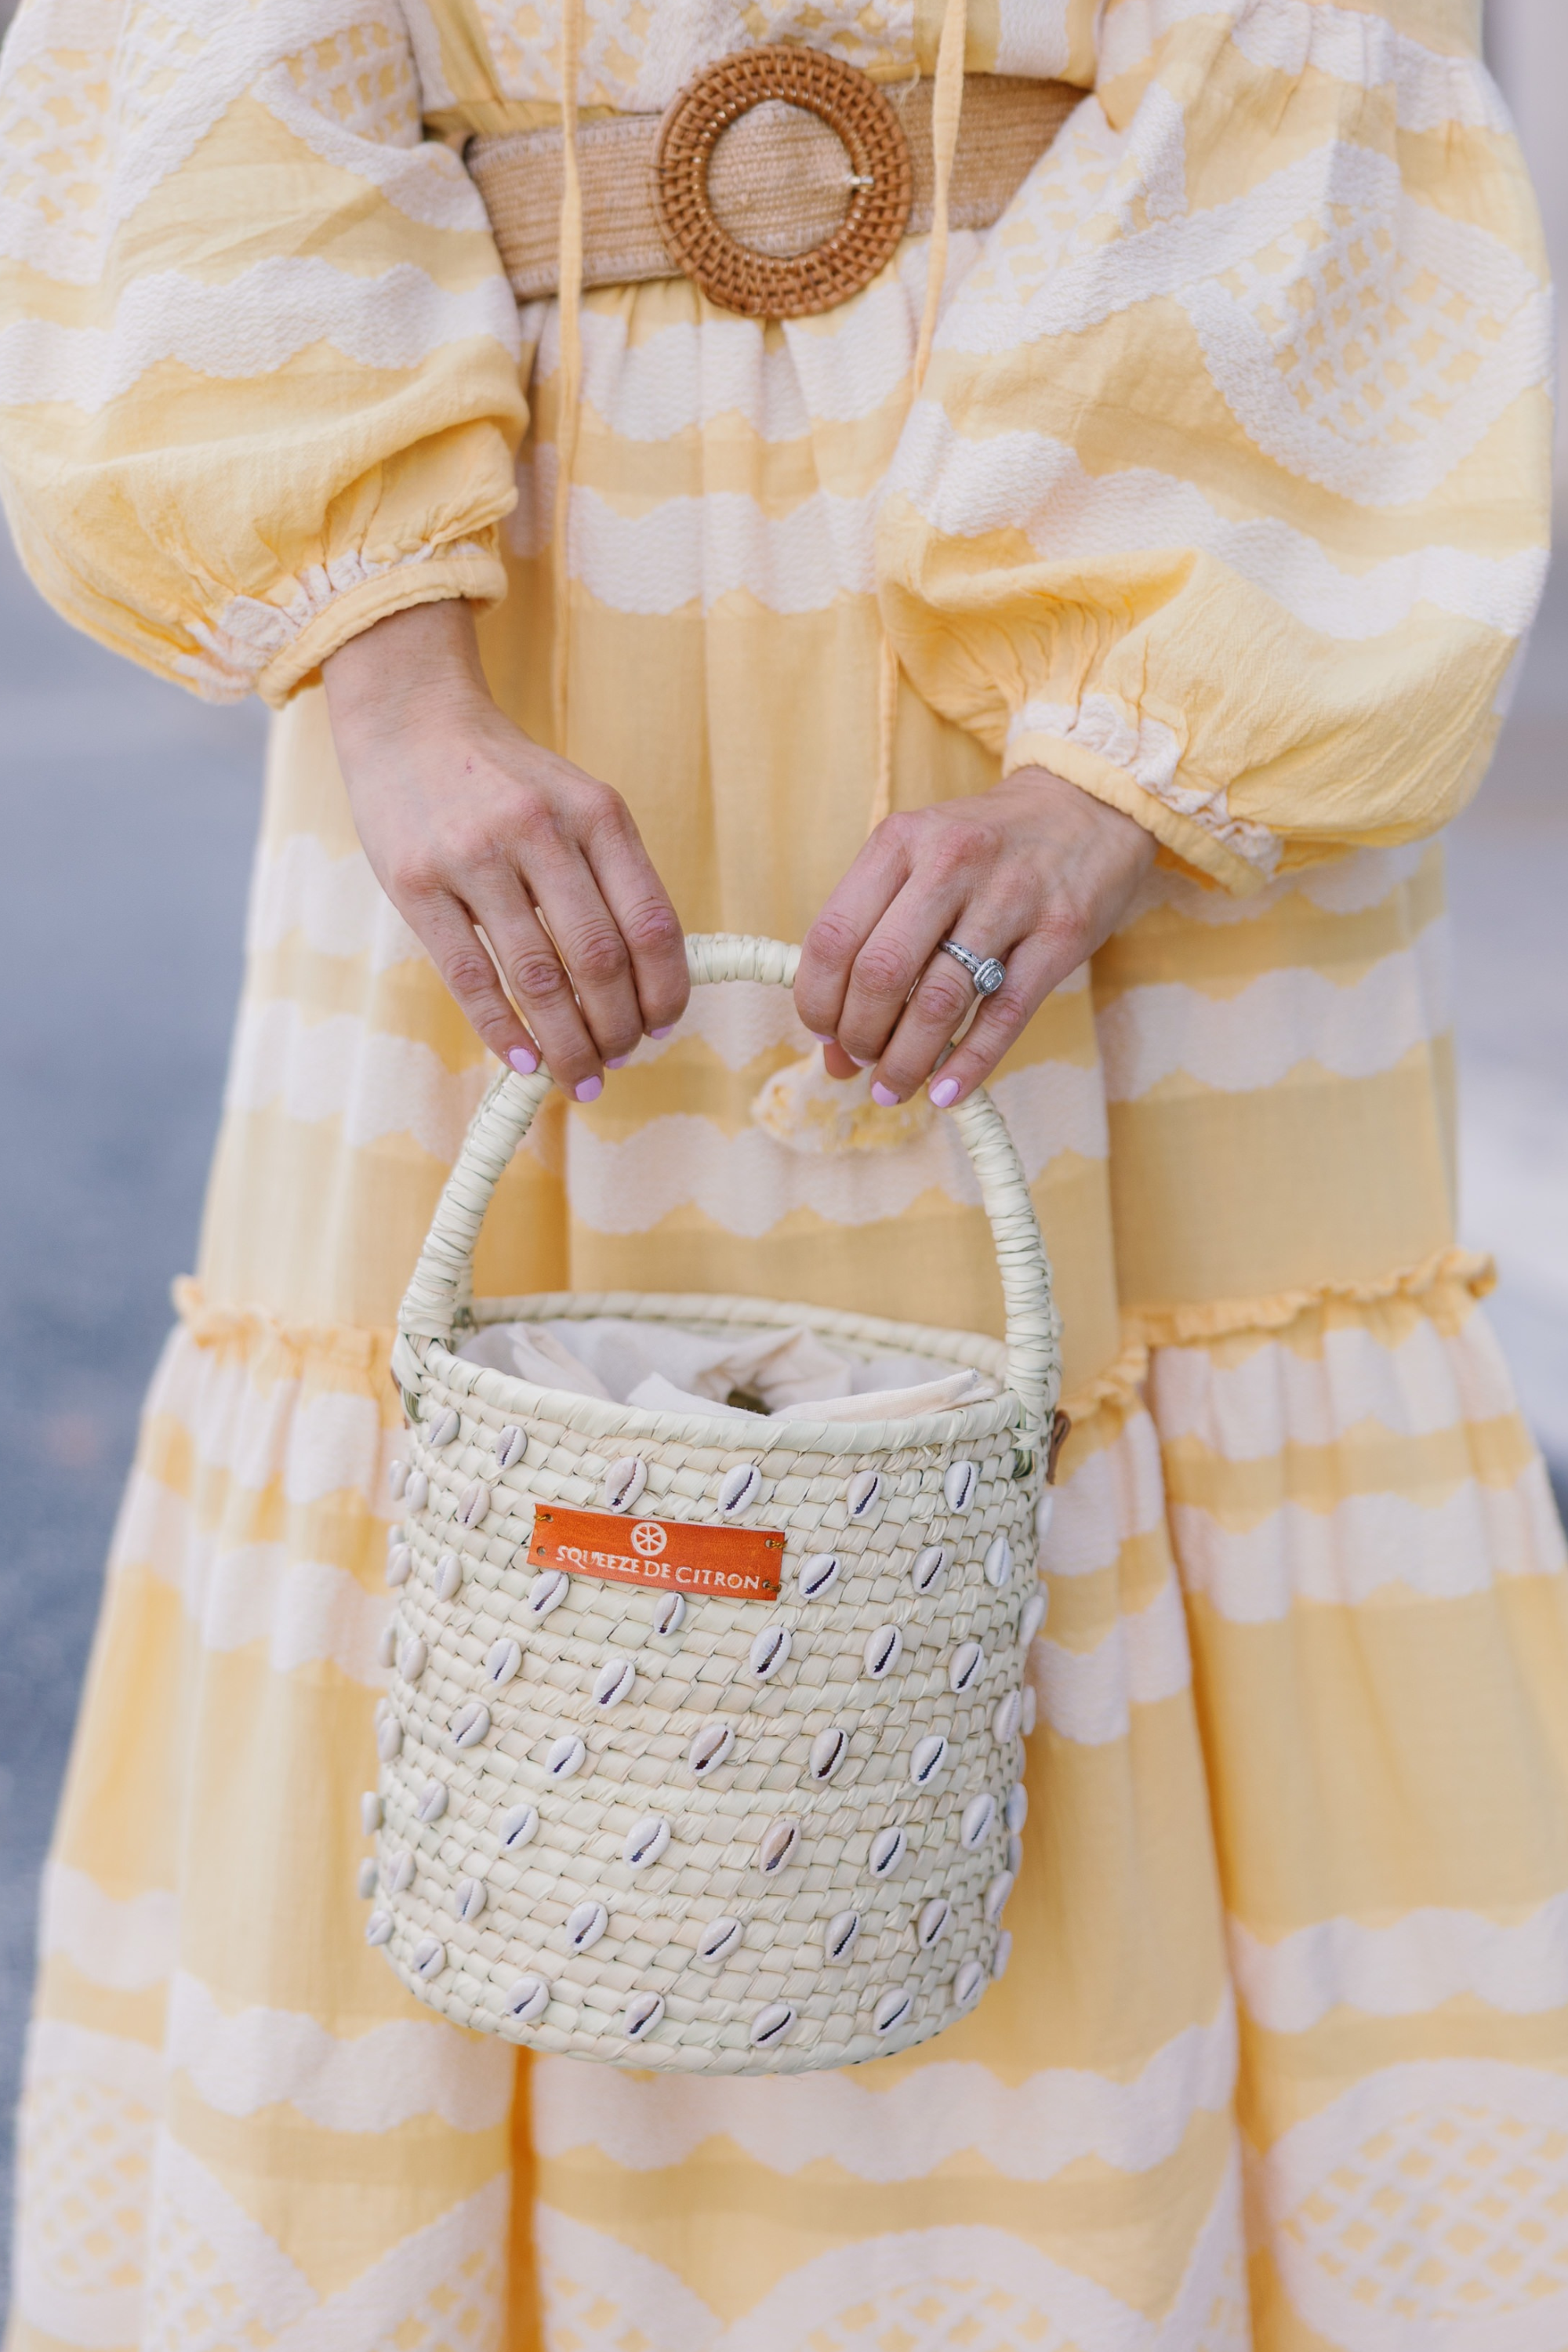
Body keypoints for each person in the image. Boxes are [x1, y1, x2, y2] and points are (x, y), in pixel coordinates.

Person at [2, 1, 1565, 2345]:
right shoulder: (425, 691)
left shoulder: (1169, 718)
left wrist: (1129, 775)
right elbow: (191, 66)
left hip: (1170, 588)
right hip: (510, 634)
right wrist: (390, 688)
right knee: (485, 1524)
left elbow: (1337, 90)